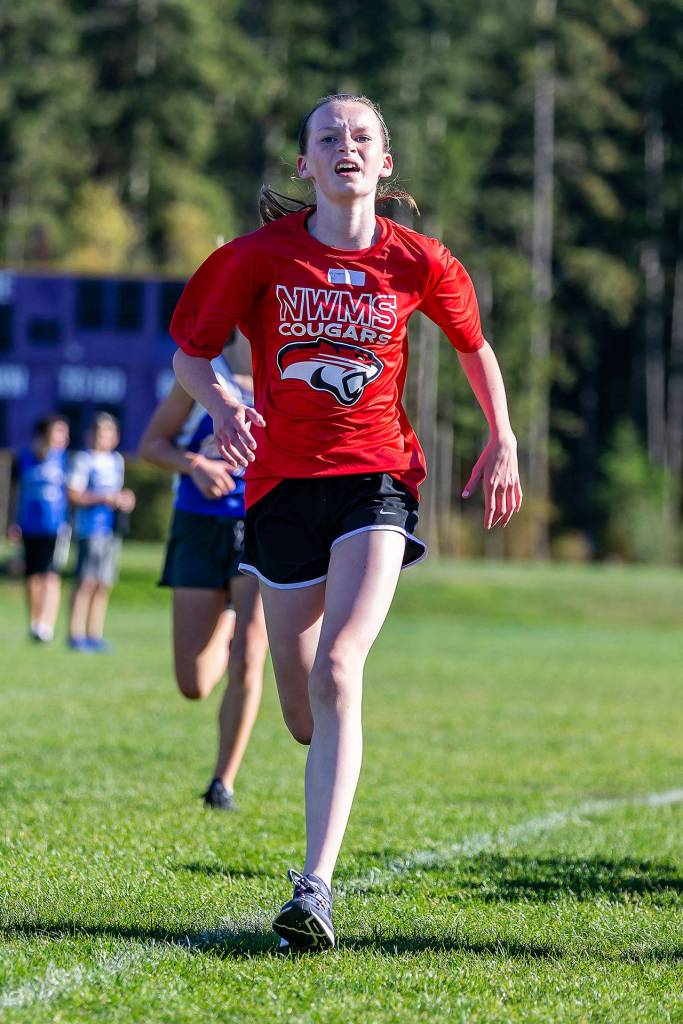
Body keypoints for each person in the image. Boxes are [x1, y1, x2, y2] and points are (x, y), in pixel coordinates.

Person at [170, 93, 523, 950]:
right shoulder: (257, 258)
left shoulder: (420, 260)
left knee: (339, 665)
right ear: (305, 165)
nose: (344, 147)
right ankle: (319, 748)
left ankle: (314, 886)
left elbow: (473, 345)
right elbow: (190, 348)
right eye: (326, 138)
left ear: (385, 162)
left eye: (361, 136)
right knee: (302, 709)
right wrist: (219, 402)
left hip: (378, 478)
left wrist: (503, 435)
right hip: (279, 488)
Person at [138, 345, 268, 810]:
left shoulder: (294, 371)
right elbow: (151, 445)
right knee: (192, 683)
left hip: (262, 524)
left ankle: (222, 783)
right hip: (196, 524)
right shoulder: (202, 375)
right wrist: (196, 465)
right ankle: (231, 615)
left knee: (249, 658)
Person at [67, 412, 136, 652]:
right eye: (97, 432)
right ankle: (75, 634)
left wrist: (125, 499)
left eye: (106, 433)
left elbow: (116, 492)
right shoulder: (83, 460)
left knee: (102, 584)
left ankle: (94, 634)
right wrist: (102, 498)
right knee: (85, 582)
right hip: (90, 529)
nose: (101, 437)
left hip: (111, 530)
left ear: (115, 437)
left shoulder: (117, 461)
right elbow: (73, 494)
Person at [12, 414, 71, 643]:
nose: (64, 437)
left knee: (50, 574)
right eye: (59, 431)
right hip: (29, 525)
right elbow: (15, 493)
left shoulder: (64, 460)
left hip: (56, 527)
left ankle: (47, 624)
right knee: (32, 576)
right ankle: (34, 623)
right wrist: (12, 522)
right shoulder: (25, 458)